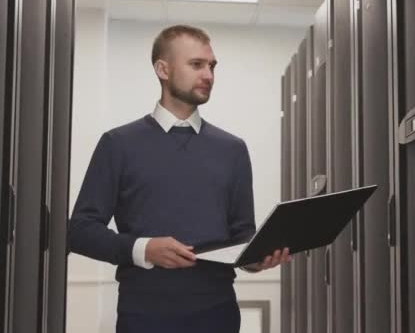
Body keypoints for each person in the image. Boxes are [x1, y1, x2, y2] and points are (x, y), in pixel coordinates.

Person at [68, 24, 291, 333]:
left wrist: (257, 260)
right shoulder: (118, 144)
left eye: (212, 66)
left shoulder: (233, 150)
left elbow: (242, 235)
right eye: (196, 64)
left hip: (218, 315)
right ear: (163, 69)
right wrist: (143, 249)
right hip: (144, 316)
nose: (209, 75)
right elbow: (79, 230)